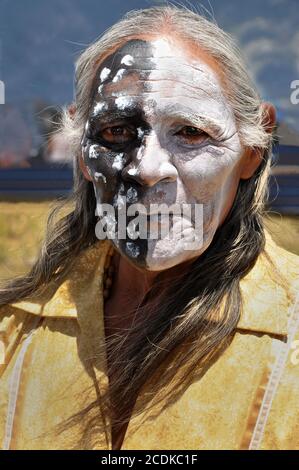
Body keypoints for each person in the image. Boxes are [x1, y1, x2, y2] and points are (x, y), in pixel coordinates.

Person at [0, 5, 298, 450]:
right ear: (83, 153)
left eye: (191, 133)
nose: (146, 168)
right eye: (117, 131)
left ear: (251, 149)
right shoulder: (12, 334)